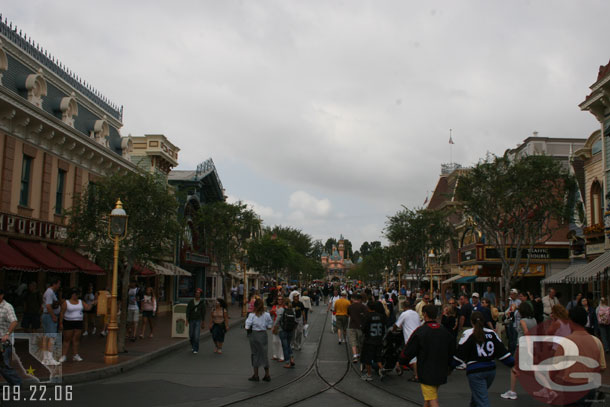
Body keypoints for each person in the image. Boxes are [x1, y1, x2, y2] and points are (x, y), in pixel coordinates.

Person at [400, 304, 455, 407]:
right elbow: (452, 350)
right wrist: (450, 366)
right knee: (429, 397)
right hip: (441, 369)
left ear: (424, 314)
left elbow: (409, 350)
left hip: (426, 370)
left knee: (432, 399)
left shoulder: (421, 331)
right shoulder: (444, 331)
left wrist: (401, 361)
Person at [456, 311, 514, 407]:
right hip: (490, 370)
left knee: (482, 400)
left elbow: (460, 354)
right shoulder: (491, 333)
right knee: (478, 395)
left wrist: (449, 367)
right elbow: (502, 353)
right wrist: (513, 364)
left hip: (475, 370)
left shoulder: (468, 333)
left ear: (471, 321)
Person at [500, 302, 537, 400]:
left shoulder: (523, 321)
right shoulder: (534, 320)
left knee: (514, 368)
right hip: (531, 345)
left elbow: (526, 332)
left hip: (522, 346)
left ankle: (512, 391)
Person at [59, 288, 96, 362]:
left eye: (78, 294)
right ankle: (64, 355)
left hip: (78, 322)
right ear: (72, 294)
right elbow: (62, 313)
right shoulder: (66, 302)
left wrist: (92, 303)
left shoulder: (80, 302)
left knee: (76, 339)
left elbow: (87, 308)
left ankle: (75, 355)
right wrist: (61, 323)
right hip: (68, 322)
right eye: (76, 294)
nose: (77, 296)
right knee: (67, 339)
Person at [245, 298, 273, 382]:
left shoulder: (251, 315)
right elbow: (269, 326)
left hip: (254, 335)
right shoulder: (267, 315)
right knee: (264, 353)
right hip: (263, 334)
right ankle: (267, 374)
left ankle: (256, 375)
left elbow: (247, 326)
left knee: (255, 354)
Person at [0, 288, 21, 386]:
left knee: (4, 366)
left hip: (2, 342)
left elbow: (14, 321)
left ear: (1, 295)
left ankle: (17, 383)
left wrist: (7, 333)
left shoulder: (7, 307)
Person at [360, 300, 386, 381]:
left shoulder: (367, 316)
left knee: (367, 359)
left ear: (368, 308)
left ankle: (369, 374)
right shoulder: (381, 316)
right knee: (378, 357)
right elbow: (383, 329)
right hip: (379, 340)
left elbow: (363, 329)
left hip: (369, 341)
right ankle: (382, 369)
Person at [42, 278, 61, 365]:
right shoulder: (49, 292)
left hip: (47, 315)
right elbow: (49, 306)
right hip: (49, 316)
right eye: (58, 284)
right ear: (55, 284)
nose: (59, 286)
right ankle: (49, 358)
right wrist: (53, 316)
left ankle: (45, 358)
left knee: (46, 336)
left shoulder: (49, 292)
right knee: (51, 337)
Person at [275, 299, 297, 368]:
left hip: (283, 330)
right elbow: (295, 320)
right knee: (288, 344)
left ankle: (287, 362)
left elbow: (278, 319)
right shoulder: (293, 311)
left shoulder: (281, 310)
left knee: (285, 346)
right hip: (290, 330)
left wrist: (274, 326)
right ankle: (292, 358)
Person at [347, 293, 367, 363]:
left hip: (352, 326)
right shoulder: (363, 307)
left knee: (353, 341)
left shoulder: (350, 306)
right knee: (360, 341)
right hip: (360, 326)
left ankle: (355, 355)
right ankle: (360, 355)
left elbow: (349, 315)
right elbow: (366, 316)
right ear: (360, 300)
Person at [186, 288, 206, 354]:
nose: (197, 294)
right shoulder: (191, 302)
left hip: (198, 320)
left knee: (196, 335)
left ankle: (196, 348)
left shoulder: (202, 303)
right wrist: (187, 319)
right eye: (196, 293)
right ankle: (193, 345)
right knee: (191, 334)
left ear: (200, 294)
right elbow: (188, 311)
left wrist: (203, 322)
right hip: (191, 320)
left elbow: (203, 312)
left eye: (198, 293)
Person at [504, 289, 521, 355]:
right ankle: (510, 350)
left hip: (516, 321)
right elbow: (509, 309)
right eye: (510, 294)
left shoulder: (519, 302)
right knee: (510, 337)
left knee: (514, 337)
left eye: (512, 294)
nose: (511, 295)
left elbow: (518, 309)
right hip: (510, 319)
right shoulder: (510, 301)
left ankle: (514, 352)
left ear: (515, 294)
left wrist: (516, 308)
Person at [270, 295, 285, 361]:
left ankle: (281, 356)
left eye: (281, 299)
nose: (280, 300)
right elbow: (271, 314)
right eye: (278, 299)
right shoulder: (274, 306)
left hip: (281, 325)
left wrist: (275, 311)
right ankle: (275, 355)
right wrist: (271, 312)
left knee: (280, 341)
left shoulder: (283, 307)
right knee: (274, 341)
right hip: (275, 325)